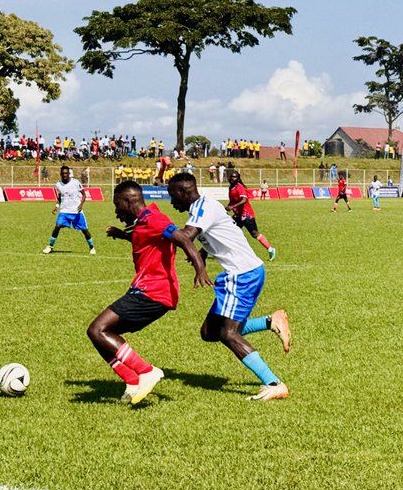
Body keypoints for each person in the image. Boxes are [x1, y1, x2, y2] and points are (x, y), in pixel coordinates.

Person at [168, 174, 292, 401]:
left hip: (242, 274)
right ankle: (270, 321)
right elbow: (222, 232)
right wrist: (204, 254)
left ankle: (273, 383)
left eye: (172, 196)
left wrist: (156, 227)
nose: (171, 202)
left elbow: (186, 236)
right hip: (242, 273)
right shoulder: (204, 206)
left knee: (228, 333)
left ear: (184, 192)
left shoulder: (201, 207)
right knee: (209, 332)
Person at [86, 180, 207, 405]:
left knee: (98, 329)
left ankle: (147, 371)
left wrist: (199, 267)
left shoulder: (153, 218)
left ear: (128, 201)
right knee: (99, 334)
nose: (116, 211)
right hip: (147, 291)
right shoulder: (143, 221)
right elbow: (147, 239)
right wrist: (123, 235)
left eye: (117, 205)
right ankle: (132, 382)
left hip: (152, 292)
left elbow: (181, 238)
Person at [43, 165, 96, 254]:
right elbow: (60, 197)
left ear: (69, 174)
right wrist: (56, 206)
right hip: (64, 211)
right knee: (57, 226)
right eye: (63, 173)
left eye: (66, 173)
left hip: (76, 212)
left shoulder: (76, 182)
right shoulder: (58, 185)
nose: (64, 175)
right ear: (60, 174)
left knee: (85, 230)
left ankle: (92, 247)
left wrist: (81, 205)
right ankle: (50, 246)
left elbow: (84, 195)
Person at [226, 170, 275, 260]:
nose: (232, 178)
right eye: (231, 177)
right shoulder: (231, 187)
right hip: (238, 215)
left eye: (235, 177)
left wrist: (232, 206)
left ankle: (271, 249)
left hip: (246, 214)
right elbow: (233, 201)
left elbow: (244, 200)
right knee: (231, 232)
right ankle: (232, 252)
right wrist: (228, 207)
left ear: (238, 179)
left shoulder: (239, 187)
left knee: (254, 234)